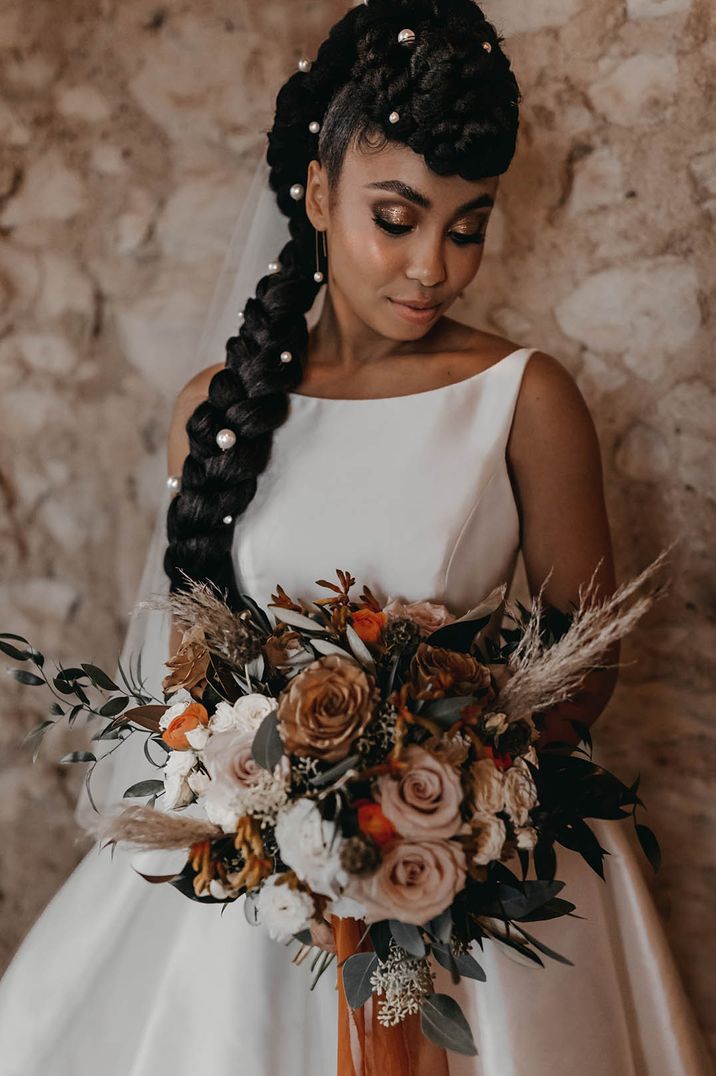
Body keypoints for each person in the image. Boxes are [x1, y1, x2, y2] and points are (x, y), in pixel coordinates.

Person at [0, 1, 712, 1074]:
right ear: (320, 192)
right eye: (398, 217)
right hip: (252, 889)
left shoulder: (524, 398)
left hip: (464, 863)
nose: (434, 266)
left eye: (465, 226)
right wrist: (274, 805)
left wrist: (445, 797)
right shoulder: (221, 405)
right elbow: (184, 674)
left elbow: (583, 655)